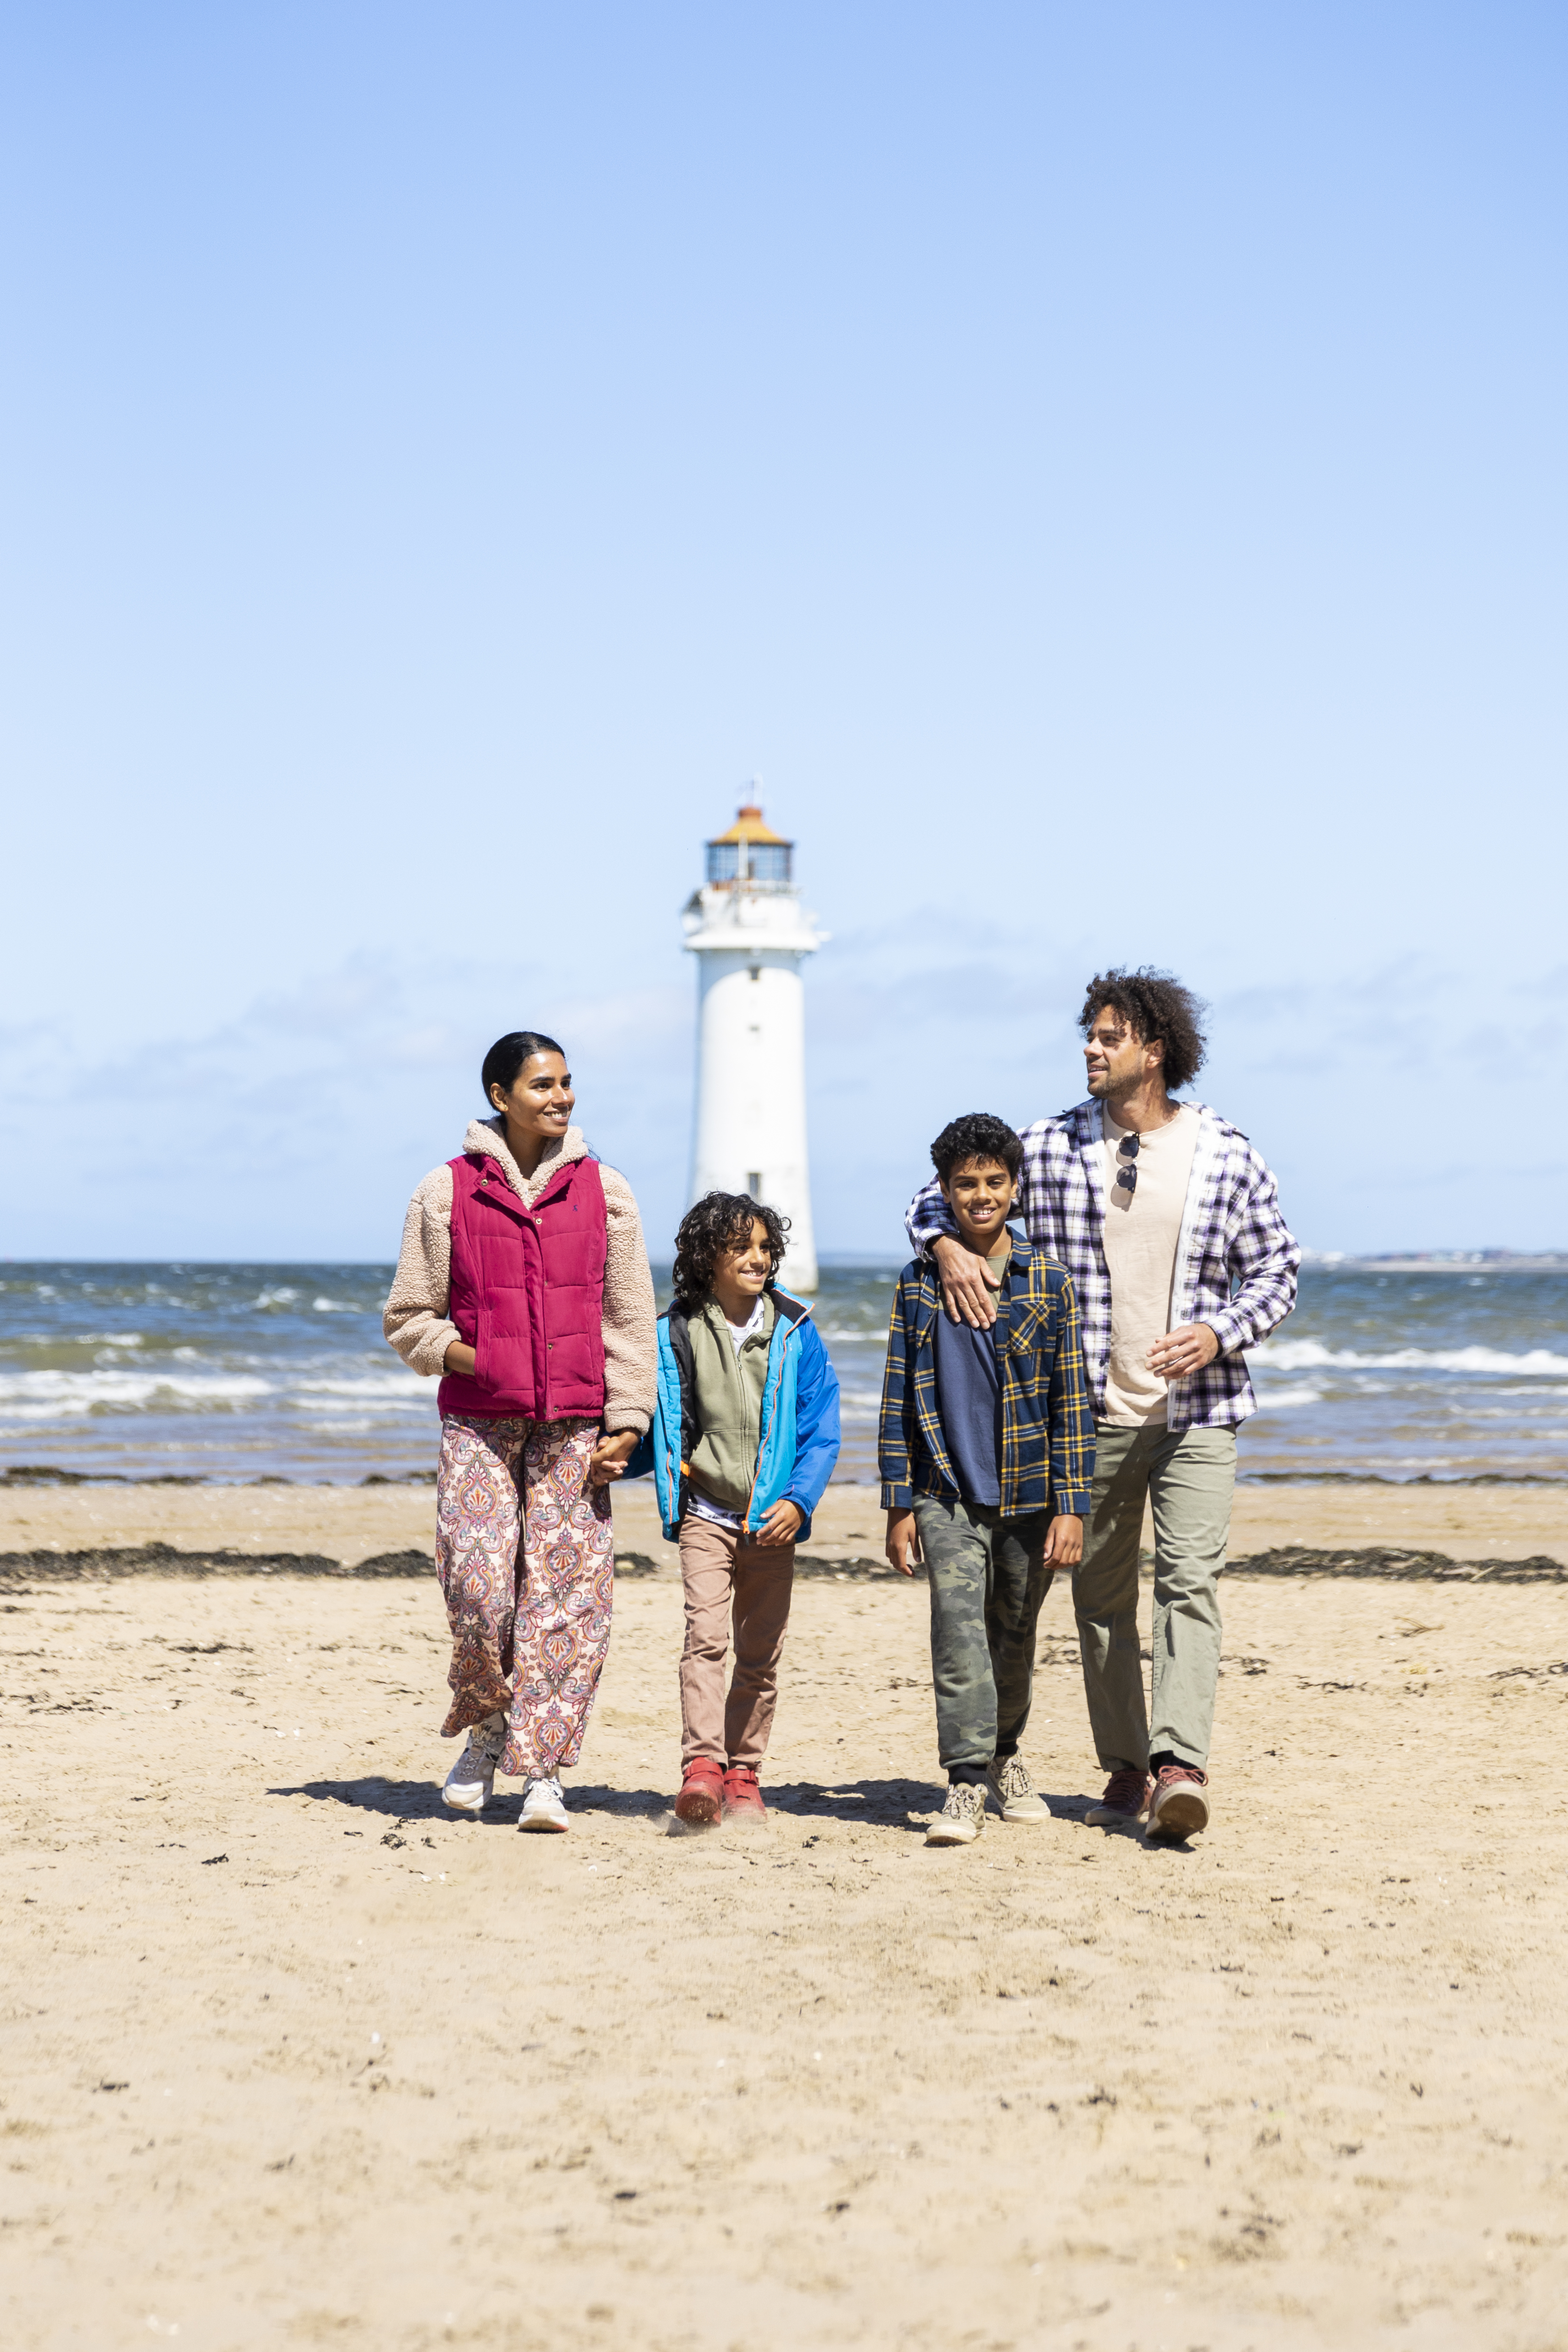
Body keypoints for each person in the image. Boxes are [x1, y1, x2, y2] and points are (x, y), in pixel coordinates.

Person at [906, 972, 1299, 1842]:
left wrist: (1218, 1330)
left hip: (1199, 1411)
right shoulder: (1046, 1145)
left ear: (1153, 1051)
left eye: (1109, 1035)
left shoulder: (1226, 1152)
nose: (1090, 1045)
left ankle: (1178, 1765)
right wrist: (944, 1247)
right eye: (1088, 1033)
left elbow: (1277, 1271)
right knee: (1099, 1598)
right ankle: (1126, 1764)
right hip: (1085, 1418)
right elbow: (935, 1194)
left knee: (1190, 1582)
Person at [384, 1030, 656, 1833]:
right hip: (477, 1420)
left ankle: (541, 1771)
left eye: (567, 1082)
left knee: (565, 1598)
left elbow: (630, 1320)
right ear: (500, 1095)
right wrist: (475, 1357)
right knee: (477, 1584)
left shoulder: (607, 1192)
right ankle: (487, 1723)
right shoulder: (446, 1190)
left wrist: (629, 1420)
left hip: (576, 1424)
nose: (560, 1096)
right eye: (542, 1084)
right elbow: (407, 1316)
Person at [880, 1114, 1095, 1846]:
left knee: (1014, 1631)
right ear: (942, 1190)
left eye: (994, 1182)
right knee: (957, 1630)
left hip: (1031, 1496)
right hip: (944, 1492)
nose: (980, 1195)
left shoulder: (1049, 1282)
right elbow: (895, 1401)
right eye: (965, 1183)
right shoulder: (917, 1283)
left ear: (1015, 1187)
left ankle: (1005, 1753)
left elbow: (1073, 1404)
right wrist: (898, 1502)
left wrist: (1072, 1506)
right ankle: (966, 1780)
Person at [642, 1192, 840, 1829]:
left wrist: (798, 1499)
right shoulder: (675, 1329)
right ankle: (700, 1768)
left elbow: (821, 1428)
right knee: (704, 1640)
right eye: (740, 1247)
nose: (756, 1258)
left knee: (759, 1654)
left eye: (764, 1247)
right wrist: (612, 1451)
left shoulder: (793, 1332)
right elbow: (658, 1421)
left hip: (772, 1522)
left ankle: (743, 1772)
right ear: (706, 1258)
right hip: (704, 1513)